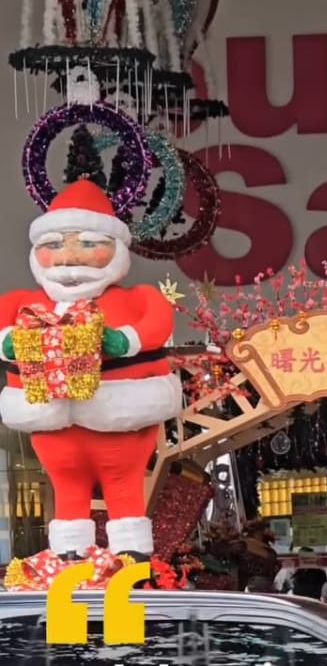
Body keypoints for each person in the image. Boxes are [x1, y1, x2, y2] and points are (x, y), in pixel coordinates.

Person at [0, 179, 182, 559]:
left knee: (123, 485)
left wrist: (123, 340)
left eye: (87, 243)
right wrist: (9, 342)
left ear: (116, 249)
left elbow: (157, 321)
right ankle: (70, 557)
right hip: (52, 419)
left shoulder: (138, 297)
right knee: (66, 488)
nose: (68, 257)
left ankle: (132, 558)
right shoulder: (21, 301)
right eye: (53, 244)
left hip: (121, 416)